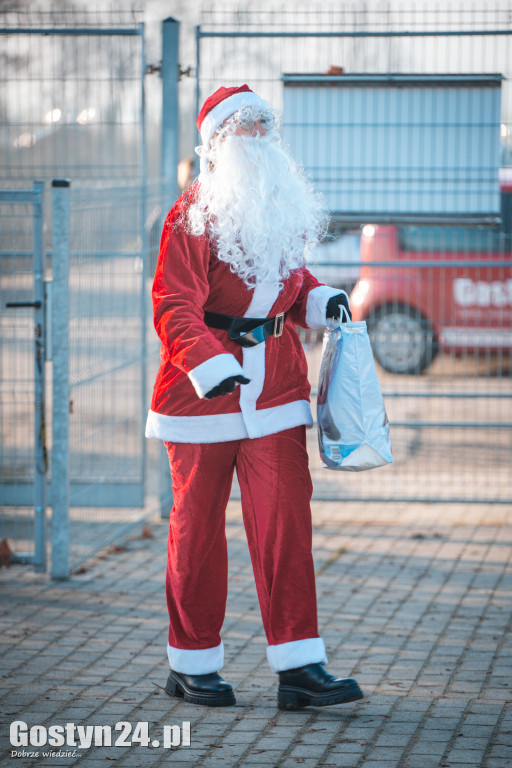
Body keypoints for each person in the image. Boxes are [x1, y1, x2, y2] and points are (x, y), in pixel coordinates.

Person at [146, 84, 363, 710]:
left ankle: (300, 666)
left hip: (276, 388)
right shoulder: (190, 213)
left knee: (285, 527)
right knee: (197, 532)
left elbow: (290, 285)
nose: (259, 135)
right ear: (216, 142)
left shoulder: (279, 207)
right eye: (245, 126)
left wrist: (320, 300)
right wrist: (208, 365)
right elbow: (173, 303)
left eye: (265, 124)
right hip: (202, 396)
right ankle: (192, 664)